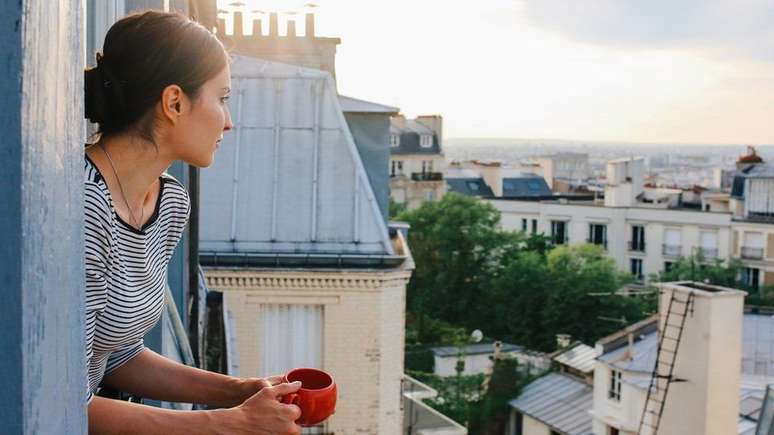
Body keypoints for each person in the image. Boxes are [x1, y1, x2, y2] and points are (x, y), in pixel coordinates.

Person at [83, 10, 302, 434]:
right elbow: (65, 399)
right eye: (222, 98)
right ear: (174, 103)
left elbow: (119, 354)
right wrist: (232, 424)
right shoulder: (85, 204)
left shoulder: (168, 203)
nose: (229, 120)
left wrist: (238, 390)